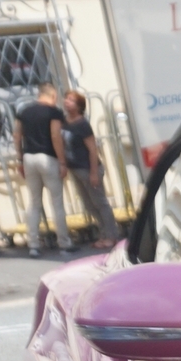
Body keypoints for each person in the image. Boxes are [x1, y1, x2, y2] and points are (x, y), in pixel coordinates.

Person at [15, 82, 70, 257]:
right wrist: (62, 162)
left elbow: (17, 135)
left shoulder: (24, 111)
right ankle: (64, 243)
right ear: (53, 96)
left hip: (28, 157)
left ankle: (33, 244)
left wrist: (19, 159)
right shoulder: (54, 112)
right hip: (48, 158)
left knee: (34, 202)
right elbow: (55, 136)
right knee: (57, 202)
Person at [60, 90, 119, 250]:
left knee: (100, 202)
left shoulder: (82, 125)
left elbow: (93, 149)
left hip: (88, 168)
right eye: (66, 98)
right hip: (75, 169)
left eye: (71, 100)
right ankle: (103, 233)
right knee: (89, 204)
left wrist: (94, 173)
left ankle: (112, 235)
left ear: (79, 106)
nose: (67, 102)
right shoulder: (65, 122)